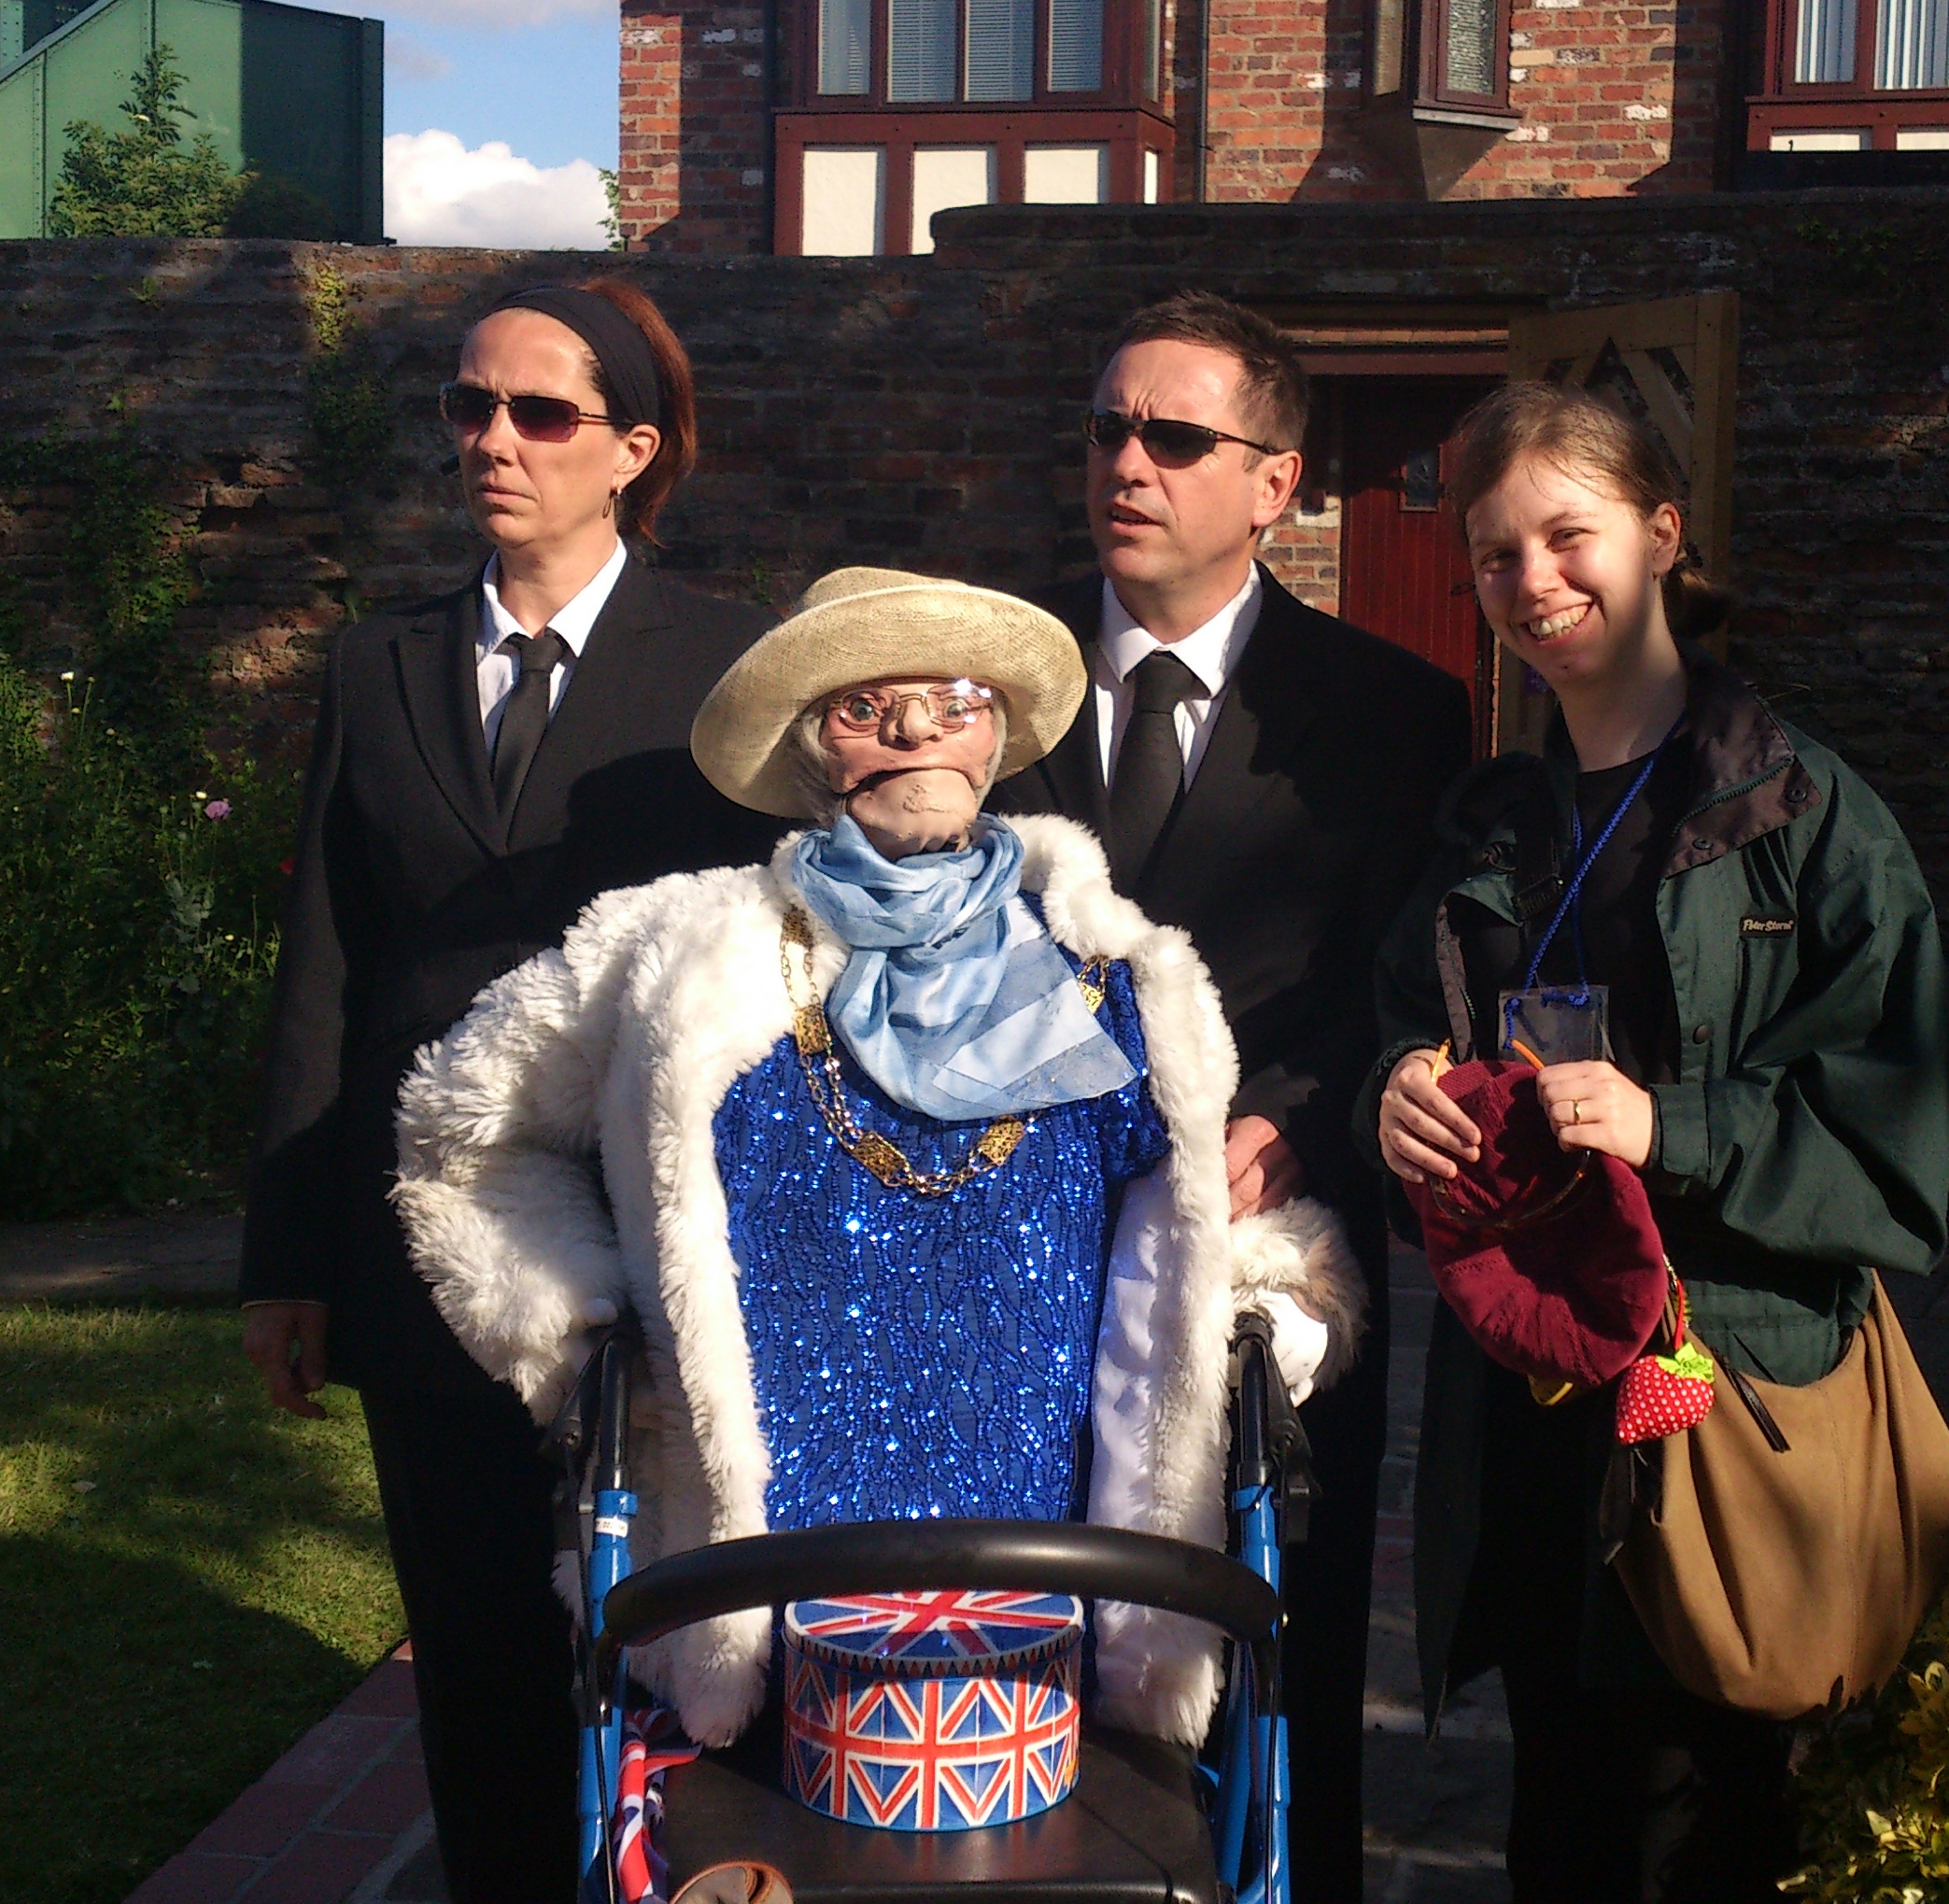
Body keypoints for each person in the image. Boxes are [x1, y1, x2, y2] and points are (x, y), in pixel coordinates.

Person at [392, 566, 1365, 1757]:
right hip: (754, 1577)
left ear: (996, 734)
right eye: (866, 706)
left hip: (1054, 1574)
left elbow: (1182, 1223)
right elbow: (458, 1125)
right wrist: (577, 1330)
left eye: (954, 699)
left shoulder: (1125, 975)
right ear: (812, 747)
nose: (915, 728)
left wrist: (1277, 1294)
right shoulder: (679, 950)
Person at [1364, 382, 1949, 1901]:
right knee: (1559, 1817)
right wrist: (1398, 1084)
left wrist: (1663, 1122)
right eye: (1495, 555)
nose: (1533, 581)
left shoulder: (1802, 816)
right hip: (1533, 1399)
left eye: (1570, 535)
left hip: (1719, 1399)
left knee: (1701, 1822)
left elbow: (1893, 1150)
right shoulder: (1495, 823)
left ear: (1663, 534)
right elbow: (1406, 1010)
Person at [237, 278, 783, 1902]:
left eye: (540, 412)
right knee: (474, 1653)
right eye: (469, 404)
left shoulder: (728, 666)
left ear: (634, 448)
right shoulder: (378, 662)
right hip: (426, 1243)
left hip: (657, 1247)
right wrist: (288, 1255)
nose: (493, 439)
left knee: (684, 1653)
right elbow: (327, 962)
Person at [989, 290, 1471, 1898]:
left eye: (1174, 437)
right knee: (1022, 1656)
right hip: (1014, 1250)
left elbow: (1405, 986)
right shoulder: (991, 676)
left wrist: (1308, 1116)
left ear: (1275, 482)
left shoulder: (1393, 711)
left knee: (1275, 1673)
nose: (1126, 463)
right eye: (1107, 428)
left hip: (1271, 1252)